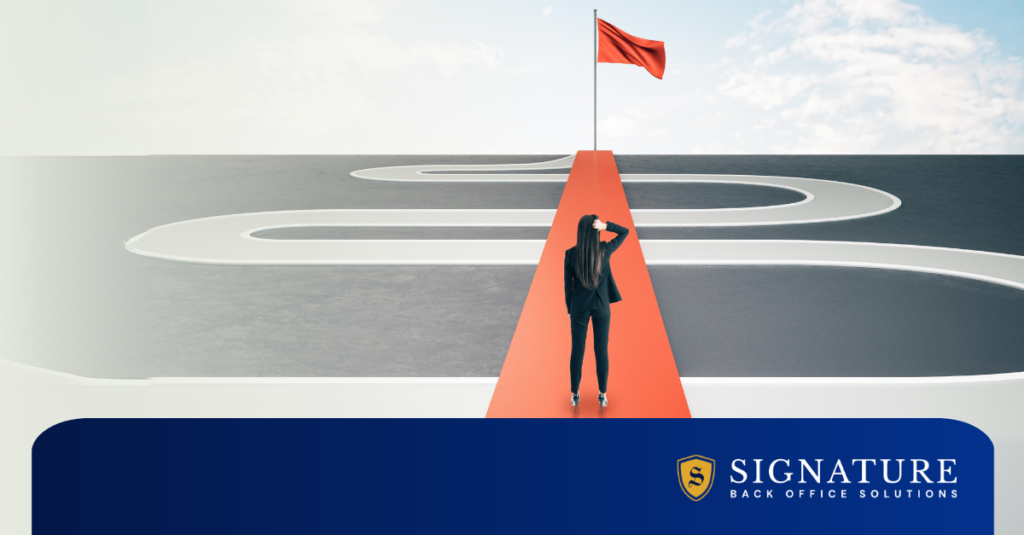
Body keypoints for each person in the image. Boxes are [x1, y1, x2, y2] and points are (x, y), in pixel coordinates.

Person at [563, 214, 630, 413]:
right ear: (595, 231)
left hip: (578, 308)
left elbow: (568, 286)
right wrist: (606, 226)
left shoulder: (570, 254)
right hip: (601, 307)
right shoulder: (604, 250)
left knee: (577, 350)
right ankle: (603, 394)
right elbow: (624, 231)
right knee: (601, 350)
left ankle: (575, 393)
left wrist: (569, 309)